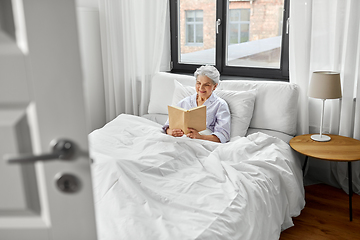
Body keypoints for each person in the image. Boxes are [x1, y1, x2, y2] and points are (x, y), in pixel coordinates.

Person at [163, 65, 231, 143]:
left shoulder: (220, 105)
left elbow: (223, 136)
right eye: (198, 83)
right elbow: (167, 126)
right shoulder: (185, 102)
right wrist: (170, 132)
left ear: (214, 86)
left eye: (206, 85)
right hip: (180, 140)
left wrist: (200, 137)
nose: (201, 88)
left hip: (203, 143)